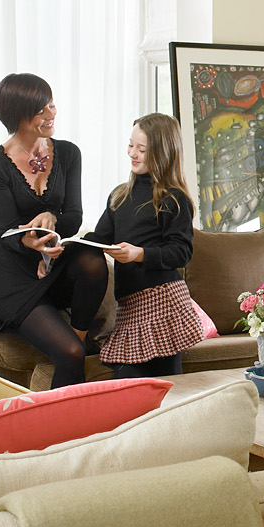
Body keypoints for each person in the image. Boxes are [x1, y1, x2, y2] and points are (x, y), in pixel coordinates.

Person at [0, 73, 108, 388]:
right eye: (41, 110)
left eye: (51, 105)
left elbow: (73, 217)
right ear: (17, 116)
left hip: (52, 261)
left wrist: (50, 220)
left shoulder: (69, 153)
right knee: (70, 354)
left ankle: (77, 336)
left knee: (91, 257)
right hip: (12, 276)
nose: (51, 114)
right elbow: (10, 233)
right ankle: (63, 430)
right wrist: (34, 245)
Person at [86, 113, 204, 377]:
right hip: (129, 306)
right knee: (126, 381)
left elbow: (182, 252)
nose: (133, 153)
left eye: (142, 149)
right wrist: (66, 242)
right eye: (130, 145)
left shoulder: (174, 199)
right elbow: (100, 238)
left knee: (166, 385)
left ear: (163, 152)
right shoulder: (119, 196)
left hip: (163, 302)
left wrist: (139, 254)